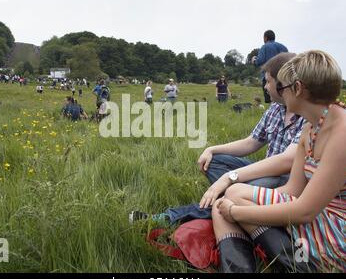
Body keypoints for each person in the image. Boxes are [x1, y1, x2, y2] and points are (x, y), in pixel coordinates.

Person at [214, 50, 346, 273]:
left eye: (280, 87)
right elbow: (293, 190)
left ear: (298, 89)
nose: (277, 94)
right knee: (230, 197)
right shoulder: (310, 129)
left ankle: (298, 266)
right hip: (326, 217)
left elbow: (304, 212)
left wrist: (237, 213)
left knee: (232, 204)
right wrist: (245, 201)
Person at [130, 53, 306, 225]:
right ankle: (234, 197)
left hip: (284, 182)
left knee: (232, 192)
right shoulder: (275, 109)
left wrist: (230, 177)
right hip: (264, 172)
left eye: (268, 81)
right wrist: (212, 149)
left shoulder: (307, 114)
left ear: (282, 83)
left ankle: (166, 219)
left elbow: (287, 161)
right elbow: (251, 142)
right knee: (213, 161)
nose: (265, 87)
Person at [253, 30, 288, 104]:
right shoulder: (283, 47)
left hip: (269, 77)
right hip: (283, 77)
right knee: (283, 98)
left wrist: (254, 60)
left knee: (271, 99)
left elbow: (259, 61)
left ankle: (273, 113)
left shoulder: (265, 47)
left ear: (265, 38)